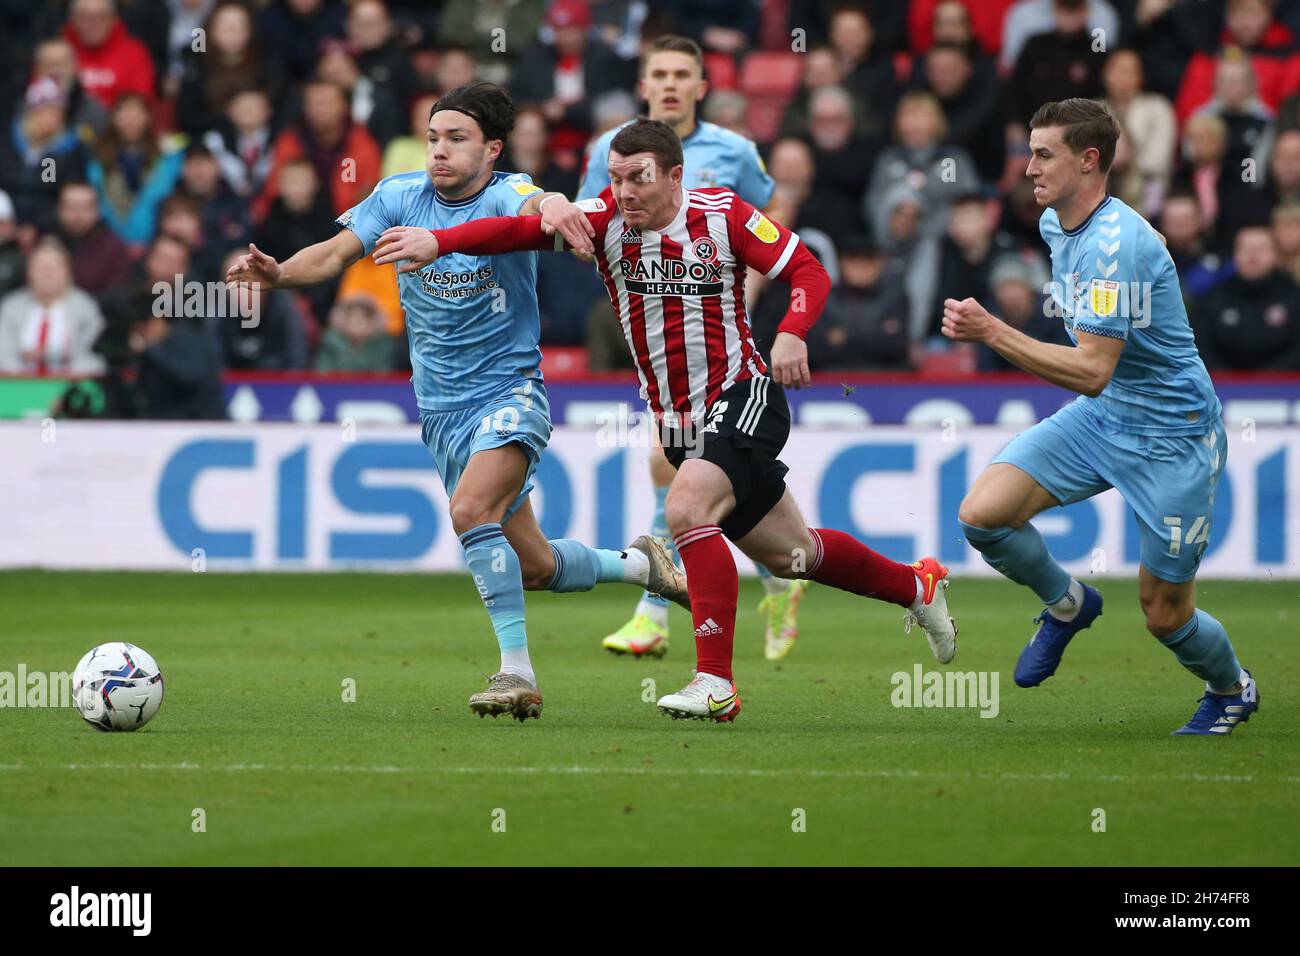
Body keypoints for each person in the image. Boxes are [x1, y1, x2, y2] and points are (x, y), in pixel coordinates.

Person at [389, 117, 960, 720]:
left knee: (686, 509)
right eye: (616, 178)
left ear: (675, 176)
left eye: (639, 178)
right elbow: (515, 231)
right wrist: (440, 241)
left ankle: (714, 682)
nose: (626, 192)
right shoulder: (604, 221)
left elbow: (807, 271)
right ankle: (914, 585)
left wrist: (792, 334)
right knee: (792, 554)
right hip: (681, 423)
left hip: (745, 393)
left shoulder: (723, 214)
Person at [226, 83, 694, 721]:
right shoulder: (399, 196)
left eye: (456, 139)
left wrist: (559, 206)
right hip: (440, 410)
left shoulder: (508, 193)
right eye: (433, 137)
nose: (439, 151)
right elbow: (335, 254)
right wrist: (279, 273)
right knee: (535, 565)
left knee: (470, 508)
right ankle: (642, 565)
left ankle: (516, 673)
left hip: (509, 390)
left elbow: (546, 200)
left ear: (492, 148)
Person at [942, 98, 1259, 736]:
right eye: (1028, 151)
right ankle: (1068, 604)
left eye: (1042, 154)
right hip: (1102, 418)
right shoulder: (1061, 223)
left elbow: (1091, 368)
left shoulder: (1115, 246)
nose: (1027, 167)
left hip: (1172, 438)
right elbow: (1108, 358)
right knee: (982, 517)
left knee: (1164, 614)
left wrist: (993, 331)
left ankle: (1231, 688)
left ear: (1089, 162)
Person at [578, 35, 810, 663]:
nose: (672, 84)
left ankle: (657, 614)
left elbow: (772, 217)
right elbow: (585, 221)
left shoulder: (733, 152)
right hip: (659, 332)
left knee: (678, 478)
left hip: (725, 334)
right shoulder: (613, 149)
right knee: (697, 481)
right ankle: (776, 575)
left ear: (703, 86)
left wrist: (759, 289)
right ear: (645, 85)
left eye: (684, 73)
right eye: (661, 74)